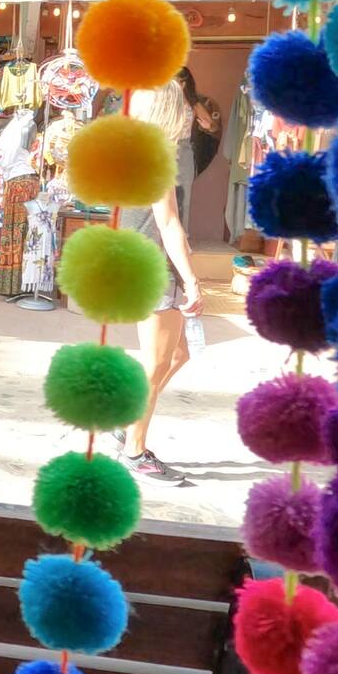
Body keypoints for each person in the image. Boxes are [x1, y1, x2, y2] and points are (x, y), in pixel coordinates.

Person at [119, 78, 205, 484]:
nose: (189, 111)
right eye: (184, 105)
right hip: (155, 265)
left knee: (177, 356)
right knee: (154, 366)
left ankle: (129, 422)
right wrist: (192, 279)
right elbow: (168, 223)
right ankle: (134, 449)